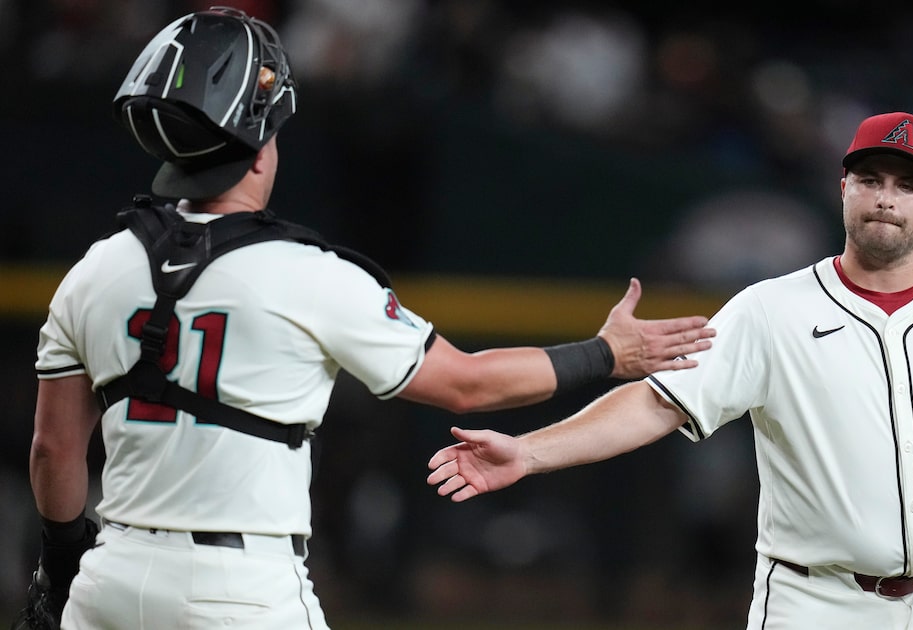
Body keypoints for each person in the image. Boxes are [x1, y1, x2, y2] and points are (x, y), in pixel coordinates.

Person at [15, 7, 715, 630]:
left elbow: (54, 449)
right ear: (263, 146)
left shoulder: (94, 269)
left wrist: (64, 560)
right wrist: (605, 354)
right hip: (237, 591)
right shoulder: (308, 274)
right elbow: (467, 384)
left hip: (109, 579)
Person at [427, 111, 913, 629]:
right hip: (814, 602)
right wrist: (528, 451)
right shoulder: (769, 310)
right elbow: (657, 403)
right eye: (872, 179)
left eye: (908, 184)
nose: (887, 198)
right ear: (844, 189)